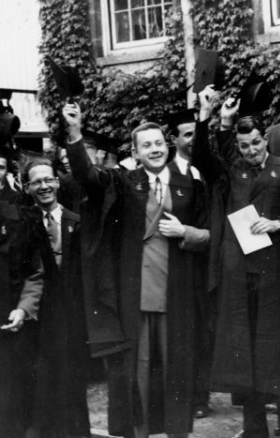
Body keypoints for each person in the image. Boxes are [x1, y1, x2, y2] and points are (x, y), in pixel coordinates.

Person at [63, 103, 210, 438]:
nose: (154, 149)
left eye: (158, 143)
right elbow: (88, 177)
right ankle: (139, 432)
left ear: (167, 146)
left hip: (176, 293)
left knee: (176, 368)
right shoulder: (123, 182)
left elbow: (210, 234)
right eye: (146, 145)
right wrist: (74, 133)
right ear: (135, 152)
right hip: (136, 294)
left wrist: (185, 232)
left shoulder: (190, 184)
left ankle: (177, 432)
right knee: (137, 372)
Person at [193, 89, 280, 438]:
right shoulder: (233, 171)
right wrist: (206, 117)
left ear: (265, 139)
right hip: (240, 276)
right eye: (244, 146)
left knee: (277, 348)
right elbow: (202, 157)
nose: (252, 150)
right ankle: (254, 428)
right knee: (244, 350)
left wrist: (278, 224)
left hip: (274, 273)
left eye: (256, 143)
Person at [23, 158, 91, 438]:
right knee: (41, 378)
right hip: (39, 314)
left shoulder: (76, 221)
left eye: (48, 179)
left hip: (72, 314)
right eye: (36, 182)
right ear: (27, 188)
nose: (44, 186)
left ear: (57, 182)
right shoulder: (23, 223)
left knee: (73, 377)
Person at [166, 108, 214, 420]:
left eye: (197, 134)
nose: (193, 140)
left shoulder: (209, 171)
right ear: (174, 139)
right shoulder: (166, 174)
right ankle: (189, 396)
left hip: (208, 263)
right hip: (180, 263)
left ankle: (201, 394)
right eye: (187, 135)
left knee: (204, 330)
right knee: (184, 331)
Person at [0, 194, 45, 437]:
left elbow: (34, 273)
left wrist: (23, 309)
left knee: (13, 405)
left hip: (12, 327)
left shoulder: (19, 220)